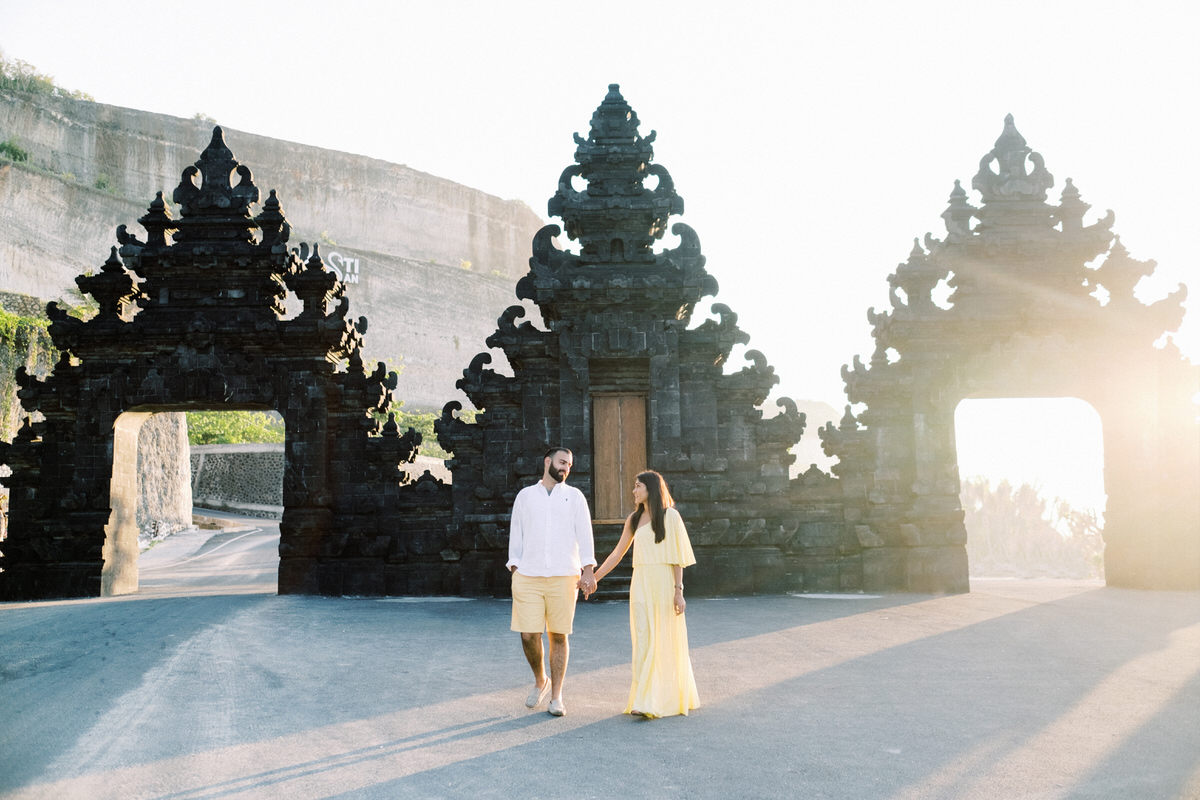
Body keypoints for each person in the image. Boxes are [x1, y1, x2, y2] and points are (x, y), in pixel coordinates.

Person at [589, 470, 699, 718]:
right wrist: (593, 578)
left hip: (663, 583)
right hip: (640, 583)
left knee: (661, 639)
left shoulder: (670, 516)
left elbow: (676, 558)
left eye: (638, 486)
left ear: (651, 488)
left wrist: (678, 591)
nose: (634, 491)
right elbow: (617, 554)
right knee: (643, 639)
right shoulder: (633, 519)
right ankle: (642, 697)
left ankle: (653, 700)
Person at [508, 447, 597, 717]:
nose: (565, 468)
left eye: (569, 465)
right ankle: (540, 680)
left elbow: (585, 533)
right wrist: (514, 566)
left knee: (559, 635)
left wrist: (589, 570)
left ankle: (557, 696)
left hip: (563, 575)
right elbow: (516, 532)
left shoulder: (575, 497)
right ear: (547, 462)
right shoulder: (525, 496)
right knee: (528, 635)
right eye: (561, 462)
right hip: (528, 575)